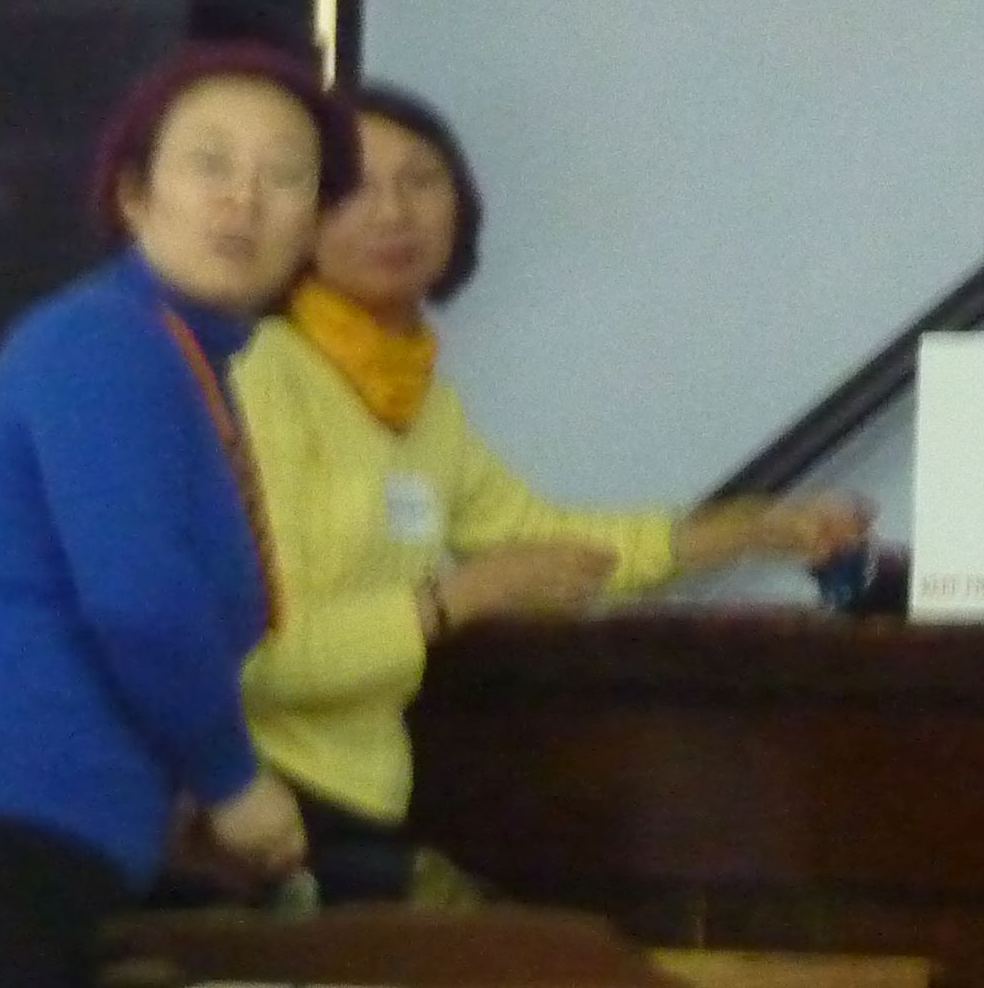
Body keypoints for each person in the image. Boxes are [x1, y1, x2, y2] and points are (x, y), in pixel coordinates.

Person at [230, 83, 866, 901]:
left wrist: (750, 530)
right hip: (256, 812)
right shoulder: (259, 372)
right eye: (354, 187)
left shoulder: (422, 400)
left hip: (363, 806)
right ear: (298, 219)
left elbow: (543, 543)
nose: (394, 212)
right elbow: (263, 659)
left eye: (422, 180)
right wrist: (455, 599)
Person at [0, 38, 357, 985]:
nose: (243, 199)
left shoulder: (185, 360)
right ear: (133, 195)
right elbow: (140, 601)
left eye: (285, 176)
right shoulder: (105, 341)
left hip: (44, 827)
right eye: (209, 163)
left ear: (316, 224)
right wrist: (231, 780)